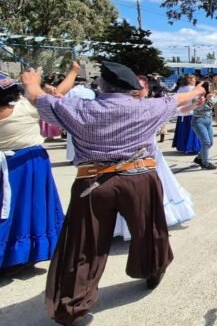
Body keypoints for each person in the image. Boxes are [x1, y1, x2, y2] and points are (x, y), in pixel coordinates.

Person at [21, 61, 204, 325]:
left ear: (102, 86)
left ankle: (71, 305)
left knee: (84, 244)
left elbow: (38, 99)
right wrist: (196, 89)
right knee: (150, 229)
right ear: (131, 88)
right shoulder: (149, 106)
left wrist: (31, 82)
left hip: (93, 182)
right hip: (139, 177)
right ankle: (153, 269)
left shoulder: (77, 109)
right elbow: (179, 97)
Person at [0, 67, 75, 273]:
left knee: (5, 209)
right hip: (28, 164)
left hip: (5, 166)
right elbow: (57, 97)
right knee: (32, 208)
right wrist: (71, 73)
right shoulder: (25, 109)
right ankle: (24, 253)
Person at [114, 75, 197, 239]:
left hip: (153, 154)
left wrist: (195, 104)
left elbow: (177, 111)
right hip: (135, 155)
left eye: (144, 87)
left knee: (158, 186)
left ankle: (151, 221)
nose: (144, 90)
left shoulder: (149, 106)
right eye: (141, 87)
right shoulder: (131, 107)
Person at [64, 76, 96, 162]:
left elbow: (65, 104)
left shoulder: (72, 91)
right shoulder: (90, 91)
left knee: (73, 139)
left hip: (74, 116)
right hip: (89, 116)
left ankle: (74, 157)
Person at [172, 75, 202, 155]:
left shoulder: (180, 89)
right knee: (192, 132)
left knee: (183, 131)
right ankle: (192, 148)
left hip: (182, 113)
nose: (195, 80)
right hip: (191, 112)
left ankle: (183, 147)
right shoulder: (193, 89)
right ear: (191, 80)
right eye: (194, 79)